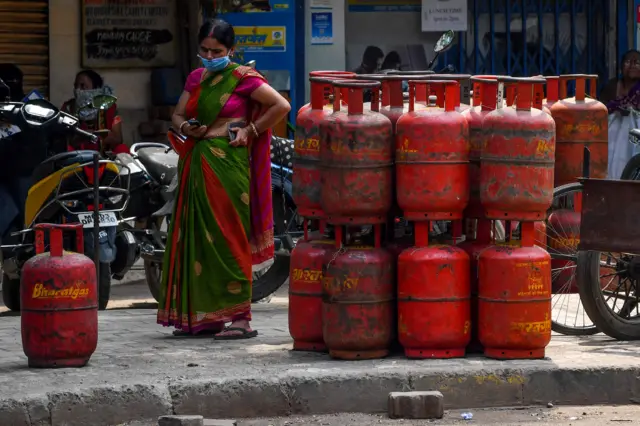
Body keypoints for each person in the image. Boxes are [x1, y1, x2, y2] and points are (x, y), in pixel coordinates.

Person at [157, 18, 290, 339]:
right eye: (204, 49)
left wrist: (251, 130)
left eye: (216, 50)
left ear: (231, 51)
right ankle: (207, 318)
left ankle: (240, 319)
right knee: (198, 240)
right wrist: (186, 127)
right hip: (197, 160)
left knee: (229, 236)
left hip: (228, 165)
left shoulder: (242, 78)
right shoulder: (196, 77)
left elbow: (280, 105)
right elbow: (176, 114)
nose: (209, 54)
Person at [61, 70, 128, 154]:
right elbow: (64, 139)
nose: (78, 90)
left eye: (83, 86)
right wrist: (81, 137)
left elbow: (118, 139)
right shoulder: (68, 108)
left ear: (96, 88)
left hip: (104, 153)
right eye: (76, 86)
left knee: (122, 149)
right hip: (78, 155)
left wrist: (95, 136)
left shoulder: (109, 107)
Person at [601, 49, 640, 179]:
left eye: (637, 62)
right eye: (628, 62)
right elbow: (602, 107)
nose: (632, 66)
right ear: (621, 66)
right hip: (612, 135)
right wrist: (616, 108)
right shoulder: (613, 85)